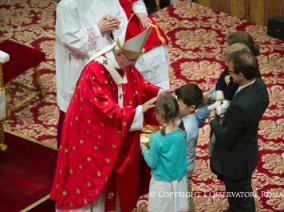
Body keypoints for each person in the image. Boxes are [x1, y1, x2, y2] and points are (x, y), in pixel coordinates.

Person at [50, 14, 175, 212]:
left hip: (113, 135)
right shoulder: (95, 71)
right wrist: (139, 110)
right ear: (119, 54)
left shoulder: (125, 64)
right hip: (91, 137)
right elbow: (104, 110)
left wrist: (159, 92)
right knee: (93, 182)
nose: (134, 65)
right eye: (132, 60)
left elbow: (139, 84)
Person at [56, 0, 170, 147]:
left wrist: (113, 27)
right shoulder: (67, 5)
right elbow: (69, 40)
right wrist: (98, 30)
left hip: (107, 58)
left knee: (106, 107)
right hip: (80, 64)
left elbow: (121, 21)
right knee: (83, 111)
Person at [207, 50, 269, 212]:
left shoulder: (242, 107)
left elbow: (227, 137)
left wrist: (212, 119)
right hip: (247, 149)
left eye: (231, 71)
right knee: (241, 197)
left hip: (237, 162)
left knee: (241, 201)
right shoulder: (259, 84)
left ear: (240, 75)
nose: (229, 74)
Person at [196, 31, 260, 128]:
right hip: (219, 101)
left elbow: (234, 98)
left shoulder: (247, 78)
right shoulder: (236, 67)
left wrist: (210, 98)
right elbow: (221, 82)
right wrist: (212, 95)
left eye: (227, 48)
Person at [140, 94, 189, 212]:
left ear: (160, 116)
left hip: (161, 183)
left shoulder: (155, 138)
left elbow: (153, 163)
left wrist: (144, 150)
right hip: (180, 180)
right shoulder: (182, 131)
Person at [175, 83, 203, 212]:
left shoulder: (187, 127)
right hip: (181, 164)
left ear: (192, 107)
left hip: (183, 168)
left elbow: (176, 148)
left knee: (185, 198)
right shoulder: (184, 116)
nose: (176, 106)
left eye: (180, 105)